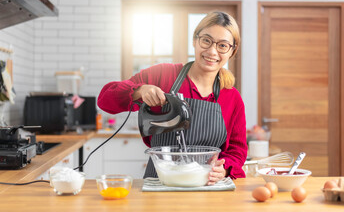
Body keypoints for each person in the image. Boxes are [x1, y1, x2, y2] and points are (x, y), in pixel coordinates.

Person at [97, 11, 247, 184]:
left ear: (232, 51)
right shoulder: (164, 75)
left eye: (222, 45)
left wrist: (225, 168)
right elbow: (105, 99)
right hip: (160, 183)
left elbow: (237, 151)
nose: (212, 51)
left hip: (207, 187)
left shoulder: (232, 98)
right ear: (194, 41)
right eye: (206, 40)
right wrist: (139, 91)